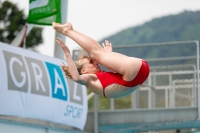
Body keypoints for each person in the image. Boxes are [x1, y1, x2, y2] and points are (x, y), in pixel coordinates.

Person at [53, 22, 149, 98]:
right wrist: (67, 54)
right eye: (91, 62)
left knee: (98, 53)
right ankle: (67, 31)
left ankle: (70, 30)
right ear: (83, 71)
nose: (95, 62)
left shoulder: (99, 79)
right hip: (135, 75)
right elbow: (76, 78)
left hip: (139, 73)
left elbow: (117, 81)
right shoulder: (89, 80)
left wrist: (109, 55)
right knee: (96, 53)